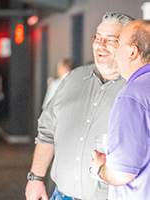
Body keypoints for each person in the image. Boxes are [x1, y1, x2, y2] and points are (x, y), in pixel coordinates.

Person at [25, 12, 134, 200]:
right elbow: (47, 132)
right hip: (61, 195)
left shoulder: (137, 88)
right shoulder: (73, 78)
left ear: (130, 46)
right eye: (98, 38)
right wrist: (35, 178)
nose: (100, 45)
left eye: (110, 40)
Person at [90, 19, 150, 200]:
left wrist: (100, 169)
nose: (114, 50)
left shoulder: (131, 96)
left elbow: (122, 173)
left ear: (133, 52)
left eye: (118, 43)